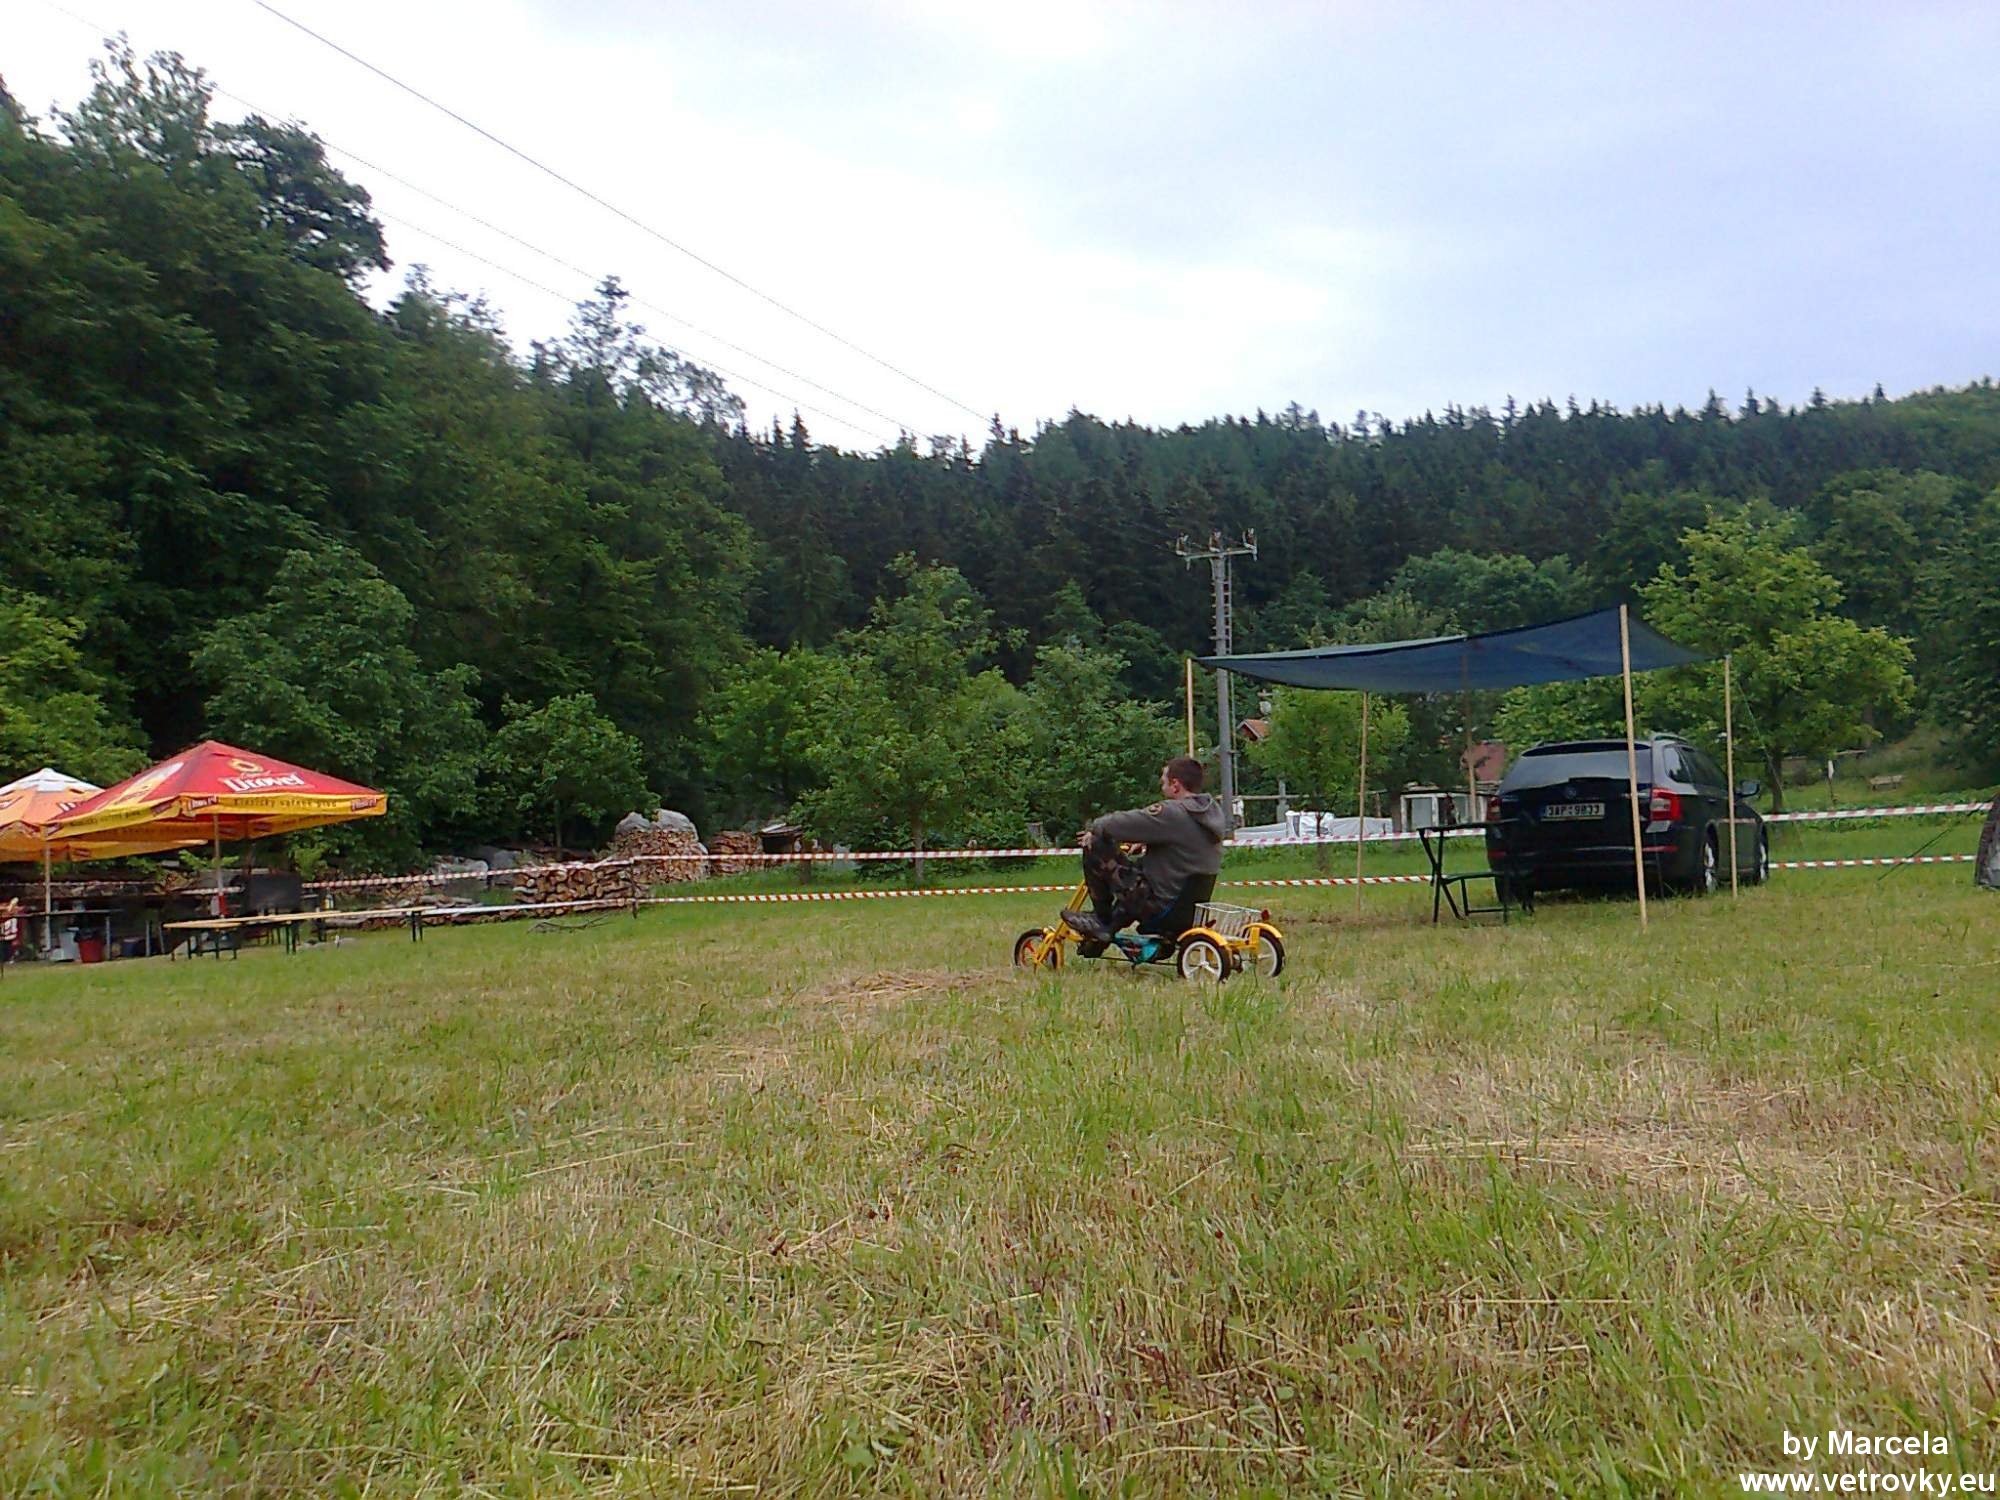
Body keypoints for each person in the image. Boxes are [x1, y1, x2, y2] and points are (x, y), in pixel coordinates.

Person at [1064, 755, 1227, 950]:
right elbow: (1183, 841)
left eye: (1164, 781)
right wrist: (1146, 841)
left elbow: (1119, 823)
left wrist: (1094, 828)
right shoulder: (1210, 814)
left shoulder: (1172, 812)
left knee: (1096, 843)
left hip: (1160, 907)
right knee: (1138, 872)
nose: (1162, 786)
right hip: (1185, 907)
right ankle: (1109, 928)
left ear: (1175, 785)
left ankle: (1101, 919)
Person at [0, 899, 20, 965]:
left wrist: (11, 908)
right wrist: (7, 908)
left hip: (11, 936)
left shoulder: (14, 916)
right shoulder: (3, 915)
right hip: (4, 936)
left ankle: (11, 958)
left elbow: (17, 908)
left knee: (10, 948)